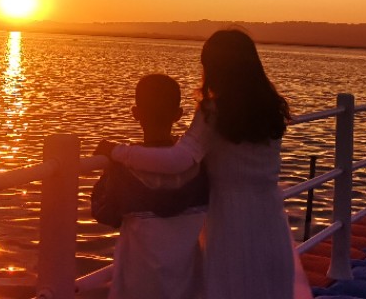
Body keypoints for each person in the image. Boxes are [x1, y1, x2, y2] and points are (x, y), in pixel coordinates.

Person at [95, 29, 313, 299]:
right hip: (268, 213)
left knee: (230, 286)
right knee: (265, 285)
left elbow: (178, 160)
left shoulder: (214, 110)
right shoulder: (271, 109)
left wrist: (118, 151)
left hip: (229, 215)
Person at [90, 73, 209, 299]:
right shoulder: (202, 168)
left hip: (137, 287)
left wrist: (110, 166)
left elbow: (103, 213)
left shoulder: (123, 171)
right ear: (178, 115)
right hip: (187, 288)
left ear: (136, 114)